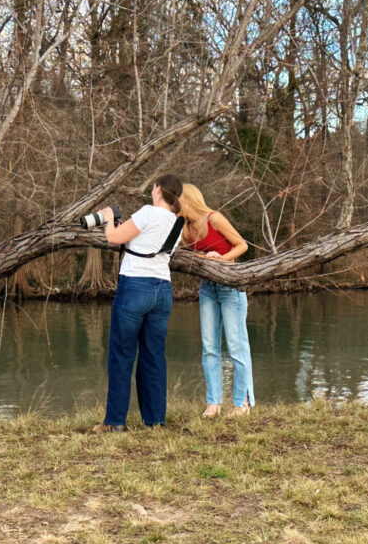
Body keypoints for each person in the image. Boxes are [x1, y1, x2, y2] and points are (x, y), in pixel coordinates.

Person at [92, 174, 184, 432]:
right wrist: (125, 227)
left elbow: (113, 238)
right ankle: (155, 421)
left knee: (121, 355)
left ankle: (115, 422)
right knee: (154, 356)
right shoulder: (178, 223)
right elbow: (145, 244)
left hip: (135, 287)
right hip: (162, 290)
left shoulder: (147, 212)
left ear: (158, 190)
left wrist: (109, 220)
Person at [180, 184, 254, 417]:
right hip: (207, 288)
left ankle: (242, 403)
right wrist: (201, 257)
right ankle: (213, 403)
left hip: (231, 286)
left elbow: (242, 245)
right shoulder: (184, 229)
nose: (173, 207)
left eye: (176, 202)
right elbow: (190, 255)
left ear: (187, 200)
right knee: (209, 347)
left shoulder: (215, 219)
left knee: (236, 346)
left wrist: (221, 259)